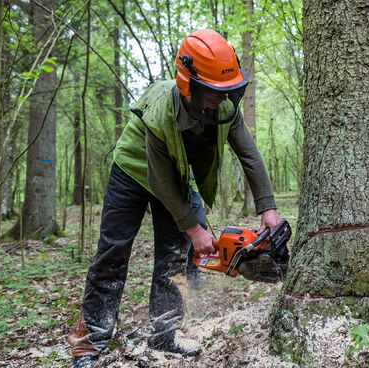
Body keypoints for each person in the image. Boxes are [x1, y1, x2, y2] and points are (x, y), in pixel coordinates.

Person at [67, 29, 282, 368]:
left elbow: (249, 155)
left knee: (172, 253)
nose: (218, 99)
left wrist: (268, 207)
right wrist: (194, 228)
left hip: (175, 173)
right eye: (211, 91)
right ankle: (89, 341)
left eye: (225, 91)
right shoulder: (160, 110)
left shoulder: (225, 109)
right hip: (134, 170)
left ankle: (164, 331)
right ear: (189, 84)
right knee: (113, 249)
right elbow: (160, 181)